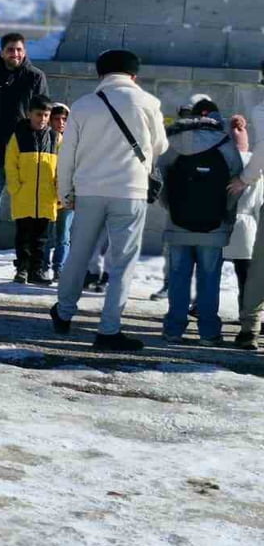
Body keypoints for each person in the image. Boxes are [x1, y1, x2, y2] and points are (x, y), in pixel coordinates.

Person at [51, 48, 167, 351]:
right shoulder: (148, 103)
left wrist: (65, 193)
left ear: (100, 73)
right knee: (122, 262)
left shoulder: (83, 105)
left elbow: (67, 155)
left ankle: (64, 313)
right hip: (130, 191)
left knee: (78, 254)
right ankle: (108, 329)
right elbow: (160, 146)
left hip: (88, 190)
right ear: (134, 74)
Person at [157, 99, 240, 345]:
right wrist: (226, 214)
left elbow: (159, 178)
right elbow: (236, 185)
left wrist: (171, 208)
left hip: (178, 223)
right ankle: (208, 331)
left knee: (178, 276)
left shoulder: (173, 142)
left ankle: (173, 329)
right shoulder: (225, 143)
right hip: (214, 226)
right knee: (209, 278)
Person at [0, 32, 49, 254]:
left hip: (26, 147)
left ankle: (24, 249)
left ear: (24, 52)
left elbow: (43, 113)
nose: (14, 54)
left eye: (18, 49)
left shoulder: (35, 77)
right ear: (1, 52)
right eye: (10, 49)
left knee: (24, 197)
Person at [4, 94, 59, 285]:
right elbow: (11, 164)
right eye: (38, 114)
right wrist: (15, 188)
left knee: (41, 239)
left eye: (46, 115)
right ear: (29, 114)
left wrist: (58, 190)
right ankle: (22, 269)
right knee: (23, 236)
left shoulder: (54, 138)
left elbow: (61, 167)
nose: (42, 119)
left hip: (46, 197)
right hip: (24, 196)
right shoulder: (19, 135)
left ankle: (37, 270)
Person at [225, 114, 262, 315]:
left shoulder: (221, 161)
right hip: (247, 226)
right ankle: (246, 314)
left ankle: (203, 309)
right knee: (245, 277)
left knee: (209, 273)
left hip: (219, 225)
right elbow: (259, 203)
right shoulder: (254, 167)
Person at [42, 103, 73, 280]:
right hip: (47, 193)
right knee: (46, 234)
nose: (61, 122)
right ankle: (43, 267)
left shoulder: (74, 140)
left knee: (63, 235)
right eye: (56, 118)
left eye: (64, 119)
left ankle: (59, 268)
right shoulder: (44, 139)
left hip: (67, 193)